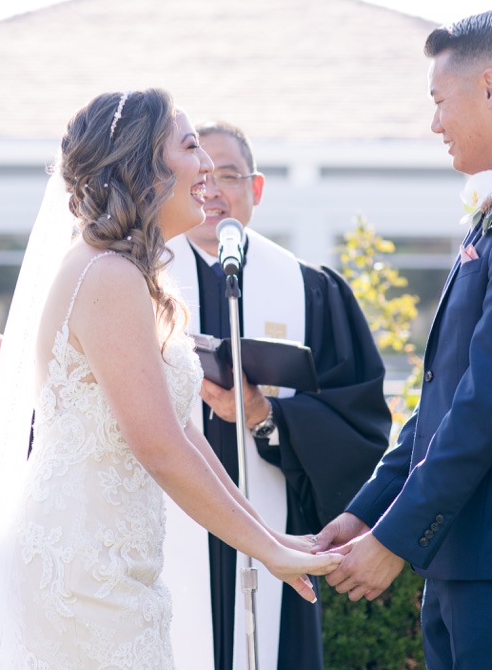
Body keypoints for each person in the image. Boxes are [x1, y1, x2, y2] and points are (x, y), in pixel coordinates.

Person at [0, 121, 392, 670]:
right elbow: (161, 444)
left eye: (224, 168)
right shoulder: (109, 275)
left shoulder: (151, 274)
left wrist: (269, 537)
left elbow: (178, 432)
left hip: (119, 559)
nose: (205, 168)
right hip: (91, 564)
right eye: (189, 147)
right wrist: (269, 547)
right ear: (145, 167)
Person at [315, 12, 492, 670]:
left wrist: (396, 538)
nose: (434, 123)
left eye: (438, 101)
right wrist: (370, 513)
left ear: (489, 87)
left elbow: (490, 402)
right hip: (475, 551)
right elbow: (446, 397)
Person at [162, 121, 391, 670]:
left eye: (230, 177)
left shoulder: (308, 289)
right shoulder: (140, 279)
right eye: (201, 177)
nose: (213, 190)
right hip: (163, 535)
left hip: (272, 530)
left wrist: (268, 416)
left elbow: (357, 426)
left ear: (257, 189)